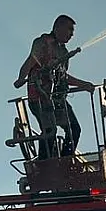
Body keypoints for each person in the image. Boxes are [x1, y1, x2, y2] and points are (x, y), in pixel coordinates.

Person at [14, 15, 95, 160]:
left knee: (74, 129)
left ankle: (64, 161)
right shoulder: (42, 43)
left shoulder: (64, 53)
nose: (72, 34)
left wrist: (84, 84)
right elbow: (30, 62)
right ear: (58, 27)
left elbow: (64, 77)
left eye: (73, 31)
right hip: (40, 98)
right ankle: (44, 166)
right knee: (50, 132)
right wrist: (21, 78)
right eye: (69, 29)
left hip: (57, 100)